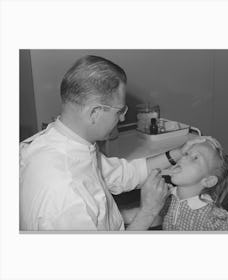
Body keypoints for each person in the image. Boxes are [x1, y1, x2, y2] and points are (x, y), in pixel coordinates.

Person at [19, 55, 202, 231]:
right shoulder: (66, 192)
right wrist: (148, 212)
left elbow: (123, 174)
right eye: (119, 110)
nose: (122, 118)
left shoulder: (59, 141)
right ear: (95, 113)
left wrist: (178, 153)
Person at [159, 136, 228, 231]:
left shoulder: (213, 218)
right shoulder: (166, 195)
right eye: (186, 153)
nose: (182, 158)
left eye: (195, 158)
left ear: (208, 181)